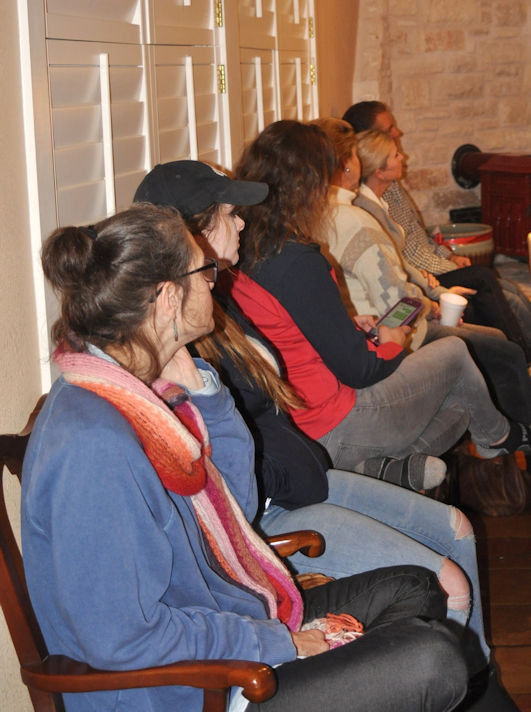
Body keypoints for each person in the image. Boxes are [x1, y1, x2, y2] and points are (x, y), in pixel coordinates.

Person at [22, 203, 468, 712]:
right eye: (204, 270)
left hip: (229, 624)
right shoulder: (93, 443)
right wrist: (277, 643)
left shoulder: (146, 393)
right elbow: (120, 639)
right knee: (433, 661)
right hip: (192, 690)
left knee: (416, 588)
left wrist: (205, 393)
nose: (214, 282)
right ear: (168, 298)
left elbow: (238, 501)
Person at [230, 120, 530, 472]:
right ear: (307, 185)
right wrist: (392, 343)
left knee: (465, 402)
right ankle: (500, 437)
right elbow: (361, 370)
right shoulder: (297, 260)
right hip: (329, 422)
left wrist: (349, 328)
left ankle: (389, 469)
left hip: (301, 412)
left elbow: (295, 328)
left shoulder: (250, 249)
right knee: (455, 353)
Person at [347, 126, 531, 423]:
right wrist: (434, 297)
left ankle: (519, 369)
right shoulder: (366, 212)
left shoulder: (380, 201)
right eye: (395, 155)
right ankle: (517, 401)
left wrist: (433, 282)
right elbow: (397, 282)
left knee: (501, 292)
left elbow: (406, 258)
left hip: (421, 294)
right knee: (487, 295)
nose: (402, 156)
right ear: (379, 171)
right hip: (413, 316)